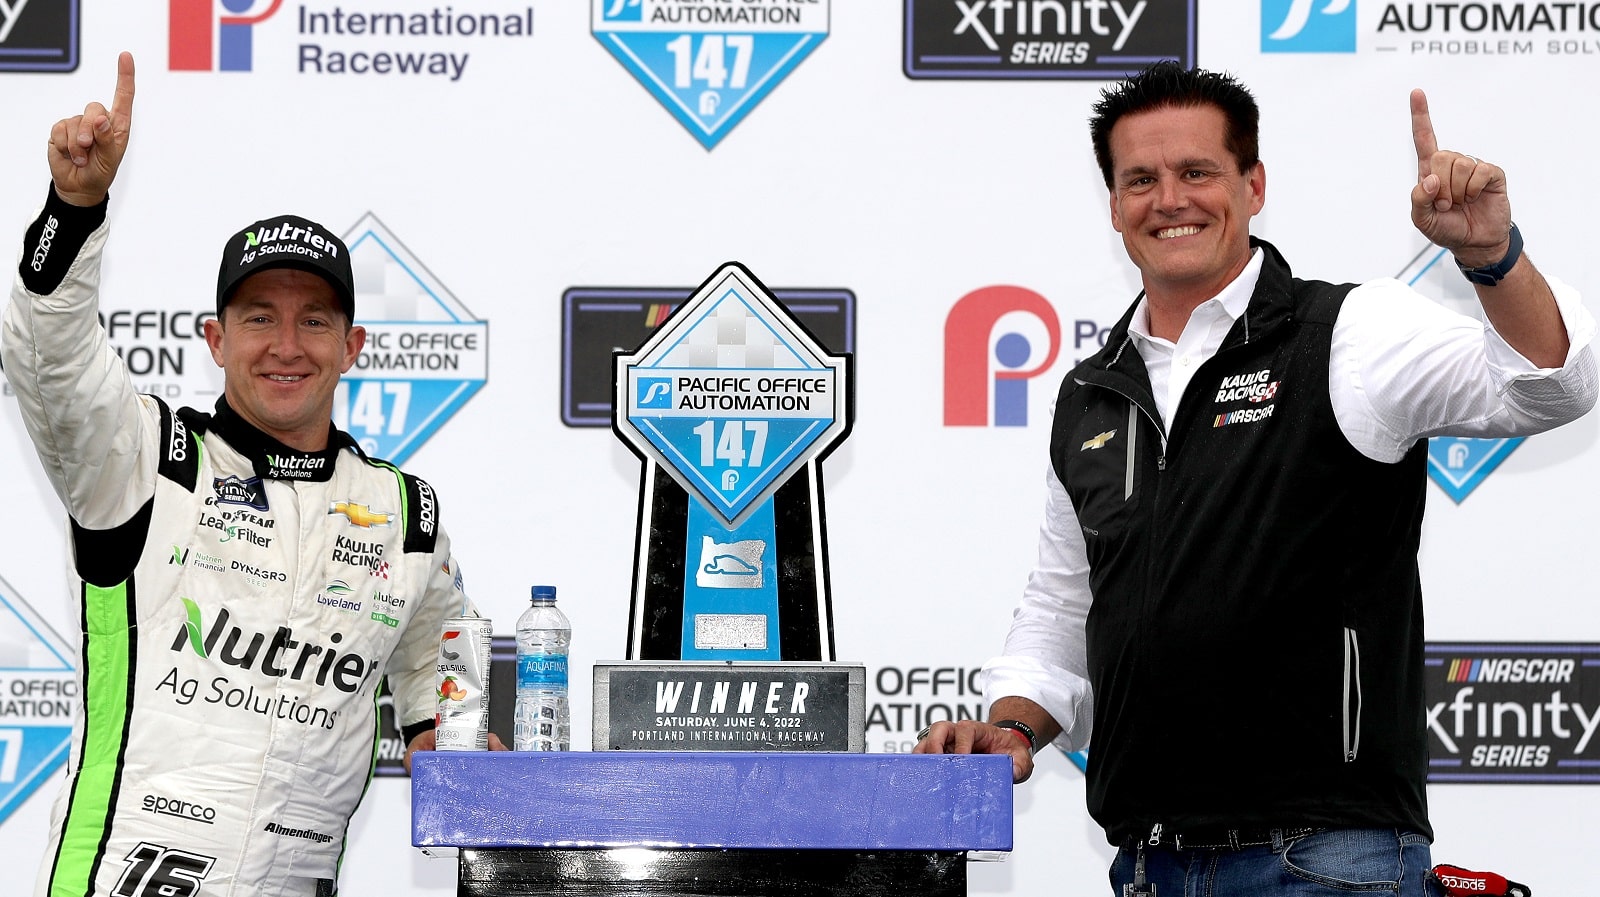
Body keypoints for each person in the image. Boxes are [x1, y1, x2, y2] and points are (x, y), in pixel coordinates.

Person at [915, 62, 1598, 895]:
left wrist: (1492, 257)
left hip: (1326, 861)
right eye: (1141, 179)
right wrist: (1013, 726)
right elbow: (1064, 605)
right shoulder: (1090, 391)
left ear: (1254, 184)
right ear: (1114, 207)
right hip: (1147, 865)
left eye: (1196, 171)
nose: (1169, 199)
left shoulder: (1350, 331)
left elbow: (1550, 385)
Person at [4, 53, 498, 897]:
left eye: (314, 320)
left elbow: (443, 673)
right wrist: (75, 209)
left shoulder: (404, 517)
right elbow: (49, 358)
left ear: (352, 349)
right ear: (214, 339)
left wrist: (443, 735)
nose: (285, 344)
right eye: (258, 316)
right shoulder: (145, 461)